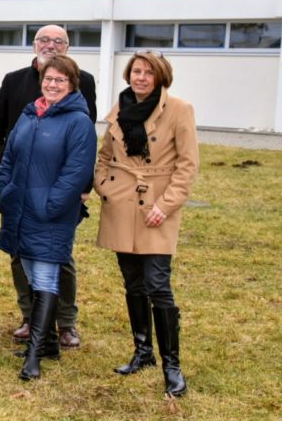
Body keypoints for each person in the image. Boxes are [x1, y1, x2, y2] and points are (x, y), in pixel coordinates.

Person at [95, 51, 198, 398]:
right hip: (121, 203)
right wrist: (105, 186)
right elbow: (104, 156)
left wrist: (166, 206)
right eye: (136, 71)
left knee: (158, 284)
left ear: (160, 77)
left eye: (148, 73)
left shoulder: (179, 110)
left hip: (156, 204)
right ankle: (143, 352)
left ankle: (173, 365)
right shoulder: (120, 109)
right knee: (132, 282)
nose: (140, 77)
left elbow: (187, 166)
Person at [0, 24, 97, 349]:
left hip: (57, 192)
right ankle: (30, 317)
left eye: (58, 41)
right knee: (19, 256)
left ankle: (65, 323)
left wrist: (81, 185)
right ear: (34, 45)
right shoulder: (14, 80)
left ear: (67, 48)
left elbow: (85, 138)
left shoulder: (85, 82)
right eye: (44, 40)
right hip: (20, 190)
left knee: (58, 259)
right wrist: (5, 186)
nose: (50, 45)